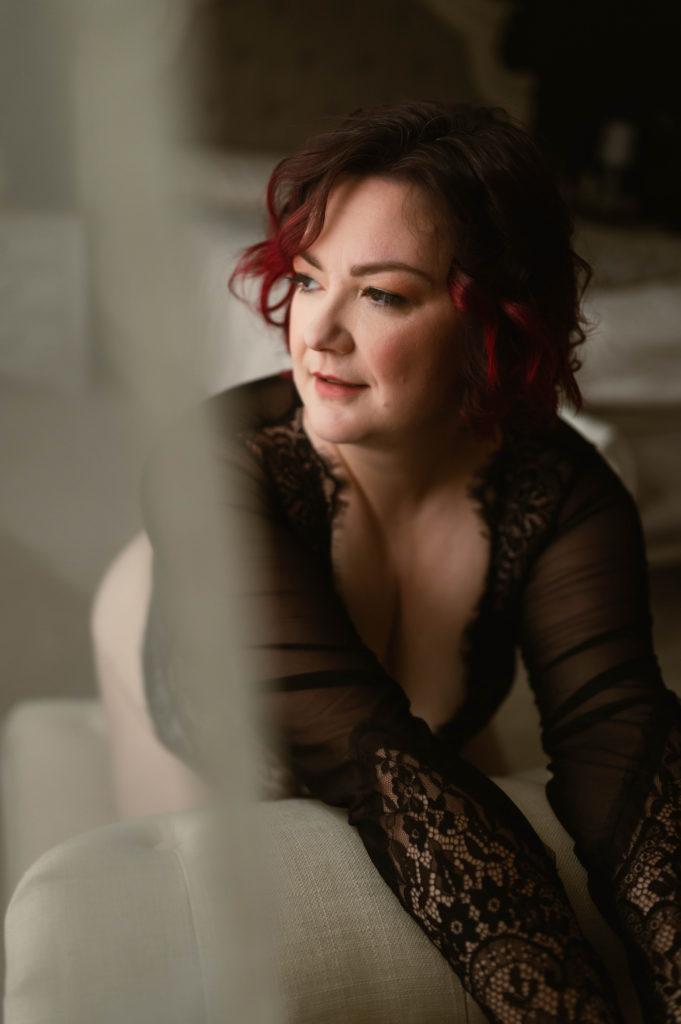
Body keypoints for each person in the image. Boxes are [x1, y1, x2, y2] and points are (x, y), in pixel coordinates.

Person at [142, 101, 681, 1023]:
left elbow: (616, 735)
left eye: (381, 294)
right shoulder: (210, 466)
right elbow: (380, 765)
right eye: (309, 280)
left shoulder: (562, 487)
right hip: (203, 680)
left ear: (493, 322)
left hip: (405, 721)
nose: (316, 334)